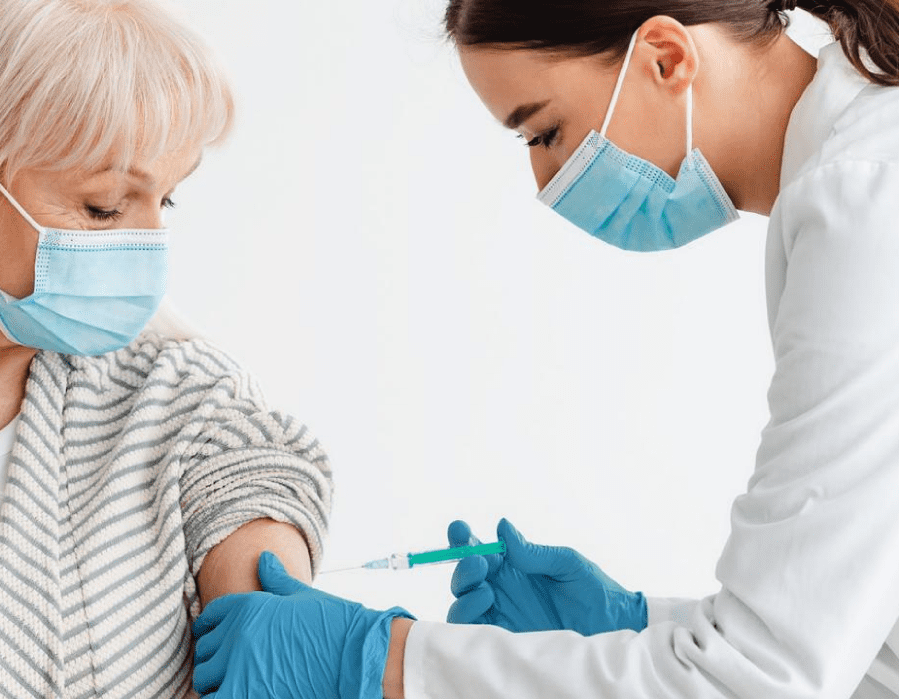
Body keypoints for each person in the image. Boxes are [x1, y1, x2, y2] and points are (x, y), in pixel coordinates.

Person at [191, 1, 899, 698]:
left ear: (666, 58)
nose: (543, 181)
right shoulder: (859, 175)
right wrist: (635, 623)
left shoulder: (864, 205)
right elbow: (848, 643)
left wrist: (383, 659)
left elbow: (757, 681)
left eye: (545, 131)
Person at [0, 1, 333, 696]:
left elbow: (248, 482)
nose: (147, 243)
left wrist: (266, 595)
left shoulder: (171, 390)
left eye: (168, 202)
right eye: (104, 206)